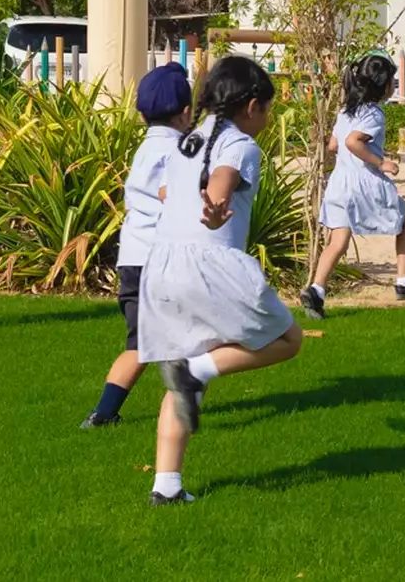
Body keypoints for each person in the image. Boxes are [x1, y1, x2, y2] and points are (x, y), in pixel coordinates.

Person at [138, 55, 305, 504]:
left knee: (179, 368)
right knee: (289, 339)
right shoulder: (241, 145)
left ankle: (166, 486)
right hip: (210, 264)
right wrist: (214, 208)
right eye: (267, 110)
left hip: (163, 266)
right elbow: (222, 182)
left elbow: (169, 191)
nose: (267, 119)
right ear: (251, 107)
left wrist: (202, 202)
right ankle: (198, 371)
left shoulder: (185, 139)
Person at [80, 63, 195, 429]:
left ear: (141, 113)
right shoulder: (179, 150)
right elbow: (169, 191)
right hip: (163, 262)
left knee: (140, 345)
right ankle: (181, 409)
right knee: (184, 341)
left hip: (132, 259)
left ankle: (103, 413)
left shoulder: (144, 149)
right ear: (188, 113)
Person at [302, 54, 405, 318]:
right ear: (382, 86)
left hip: (339, 183)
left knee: (338, 241)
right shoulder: (374, 114)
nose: (394, 85)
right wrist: (380, 162)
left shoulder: (345, 111)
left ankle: (316, 289)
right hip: (364, 183)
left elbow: (334, 145)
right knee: (404, 222)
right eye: (392, 80)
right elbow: (351, 142)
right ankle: (404, 281)